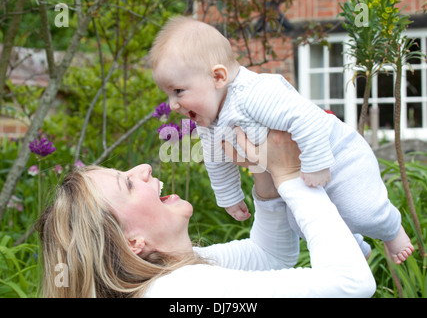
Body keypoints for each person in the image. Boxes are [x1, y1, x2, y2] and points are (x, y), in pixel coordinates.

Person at [148, 16, 414, 265]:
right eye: (169, 95)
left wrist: (316, 163)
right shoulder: (209, 120)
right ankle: (355, 247)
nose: (173, 105)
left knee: (361, 211)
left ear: (218, 77)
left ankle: (391, 229)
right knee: (299, 221)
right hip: (294, 171)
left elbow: (305, 118)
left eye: (178, 91)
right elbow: (216, 159)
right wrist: (229, 196)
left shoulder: (255, 93)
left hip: (337, 155)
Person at [36, 129, 375, 298]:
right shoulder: (182, 291)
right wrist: (291, 176)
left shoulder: (169, 277)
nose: (143, 167)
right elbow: (352, 283)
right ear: (132, 242)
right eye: (127, 184)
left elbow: (270, 255)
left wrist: (264, 175)